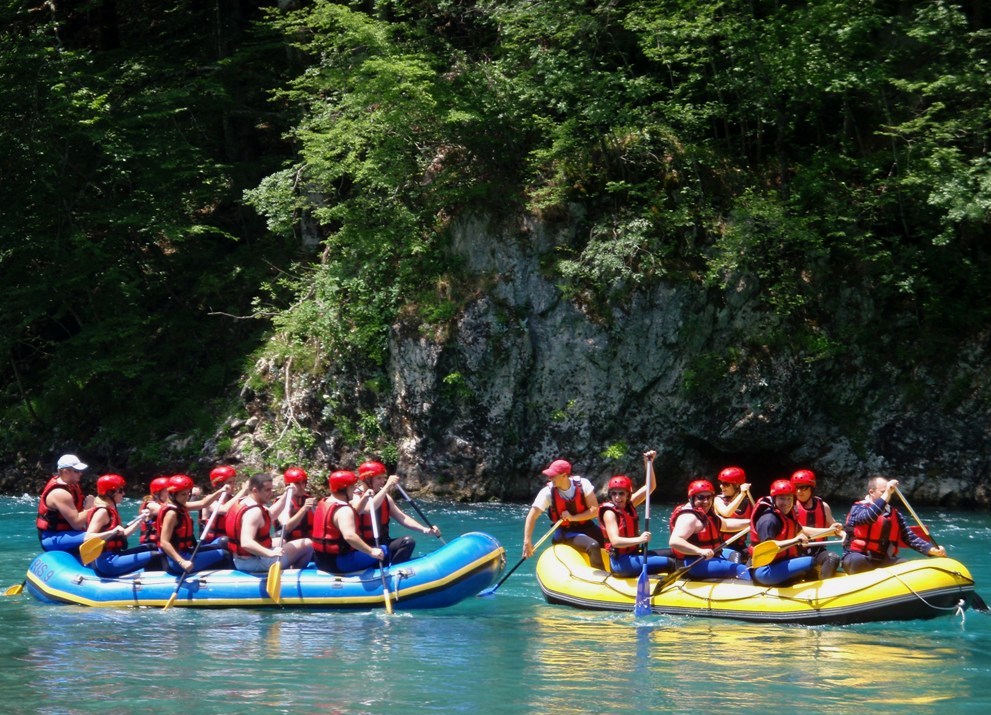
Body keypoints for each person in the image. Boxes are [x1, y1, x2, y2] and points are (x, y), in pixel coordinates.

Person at [841, 476, 946, 575]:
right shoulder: (858, 508)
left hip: (884, 559)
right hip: (858, 556)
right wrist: (887, 492)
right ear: (871, 492)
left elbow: (909, 537)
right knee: (857, 561)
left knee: (904, 563)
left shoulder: (894, 513)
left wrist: (932, 550)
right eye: (883, 491)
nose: (888, 494)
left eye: (889, 491)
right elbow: (869, 517)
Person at [749, 479, 843, 586]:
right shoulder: (769, 520)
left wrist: (831, 531)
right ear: (774, 499)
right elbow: (768, 548)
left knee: (809, 566)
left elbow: (802, 532)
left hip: (780, 564)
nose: (786, 503)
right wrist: (794, 540)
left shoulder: (788, 514)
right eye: (782, 499)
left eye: (789, 499)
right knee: (811, 562)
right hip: (764, 571)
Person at [597, 452, 674, 576]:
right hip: (622, 562)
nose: (617, 497)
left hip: (634, 554)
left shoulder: (629, 504)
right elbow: (615, 541)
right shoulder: (609, 513)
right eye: (614, 493)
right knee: (670, 563)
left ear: (628, 494)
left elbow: (650, 487)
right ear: (610, 495)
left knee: (674, 552)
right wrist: (640, 539)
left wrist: (648, 463)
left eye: (621, 493)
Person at [353, 460, 441, 565]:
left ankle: (395, 571)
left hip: (383, 543)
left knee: (408, 542)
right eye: (378, 478)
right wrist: (386, 487)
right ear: (367, 479)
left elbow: (402, 517)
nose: (383, 481)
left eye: (383, 478)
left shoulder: (385, 497)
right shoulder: (355, 496)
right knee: (383, 551)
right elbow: (367, 509)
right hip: (365, 548)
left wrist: (425, 530)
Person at [522, 459, 604, 567]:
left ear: (564, 475)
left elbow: (594, 511)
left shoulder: (583, 484)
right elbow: (531, 516)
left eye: (553, 476)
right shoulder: (547, 493)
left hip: (587, 526)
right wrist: (527, 541)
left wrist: (572, 518)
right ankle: (600, 577)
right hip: (566, 532)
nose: (550, 478)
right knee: (593, 545)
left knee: (610, 541)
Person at [225, 473, 313, 572]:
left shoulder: (244, 502)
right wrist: (270, 553)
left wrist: (287, 495)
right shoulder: (254, 512)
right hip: (255, 562)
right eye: (267, 490)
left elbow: (271, 515)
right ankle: (292, 574)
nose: (271, 493)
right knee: (307, 543)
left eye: (271, 489)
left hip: (242, 559)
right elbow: (246, 543)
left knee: (281, 540)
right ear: (255, 490)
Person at [669, 479, 750, 580]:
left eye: (709, 497)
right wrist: (700, 551)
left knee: (734, 554)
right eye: (701, 497)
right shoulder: (689, 517)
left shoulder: (706, 514)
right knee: (741, 569)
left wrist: (751, 522)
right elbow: (675, 541)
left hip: (711, 556)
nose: (706, 501)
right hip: (693, 563)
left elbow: (726, 525)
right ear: (692, 498)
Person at [311, 470, 385, 573]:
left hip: (320, 560)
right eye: (352, 487)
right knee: (384, 550)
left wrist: (364, 498)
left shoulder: (324, 502)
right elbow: (349, 536)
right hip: (338, 562)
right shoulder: (344, 510)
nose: (355, 489)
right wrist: (371, 551)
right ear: (345, 489)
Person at [156, 474, 230, 575]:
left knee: (224, 542)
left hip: (187, 551)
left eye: (188, 493)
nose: (187, 497)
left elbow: (203, 503)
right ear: (173, 494)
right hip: (177, 561)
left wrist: (220, 491)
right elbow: (164, 542)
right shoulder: (171, 513)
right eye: (183, 494)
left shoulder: (181, 506)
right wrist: (182, 562)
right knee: (225, 554)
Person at [85, 474, 156, 577]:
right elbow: (87, 537)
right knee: (156, 555)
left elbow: (122, 535)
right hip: (108, 562)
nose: (123, 493)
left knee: (152, 547)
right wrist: (111, 532)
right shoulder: (102, 512)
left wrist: (139, 520)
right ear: (110, 493)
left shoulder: (111, 509)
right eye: (120, 490)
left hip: (116, 555)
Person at [37, 454, 95, 553]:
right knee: (98, 536)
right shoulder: (60, 493)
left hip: (68, 533)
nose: (80, 474)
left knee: (103, 533)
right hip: (52, 538)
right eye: (76, 471)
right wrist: (89, 508)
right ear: (65, 471)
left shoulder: (72, 485)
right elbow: (77, 524)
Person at [791, 469, 839, 561]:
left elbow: (836, 530)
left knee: (833, 558)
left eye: (803, 487)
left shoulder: (823, 506)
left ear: (812, 489)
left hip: (818, 551)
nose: (799, 491)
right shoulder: (789, 507)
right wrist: (829, 531)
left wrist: (840, 529)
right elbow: (800, 529)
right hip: (796, 552)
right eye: (796, 487)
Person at [712, 466, 753, 563]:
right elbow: (727, 513)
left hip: (740, 546)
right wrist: (742, 494)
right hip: (721, 546)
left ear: (737, 486)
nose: (721, 486)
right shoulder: (717, 500)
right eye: (721, 483)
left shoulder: (748, 503)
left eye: (725, 484)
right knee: (737, 557)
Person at [199, 465, 247, 545]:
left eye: (233, 482)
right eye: (229, 482)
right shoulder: (209, 500)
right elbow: (223, 510)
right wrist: (243, 491)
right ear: (219, 485)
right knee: (225, 541)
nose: (233, 485)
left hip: (228, 540)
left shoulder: (233, 499)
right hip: (210, 542)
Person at [276, 466, 317, 543]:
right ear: (289, 485)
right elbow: (286, 527)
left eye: (303, 483)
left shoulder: (308, 499)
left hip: (308, 544)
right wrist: (304, 509)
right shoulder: (283, 502)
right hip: (288, 543)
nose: (301, 487)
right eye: (297, 483)